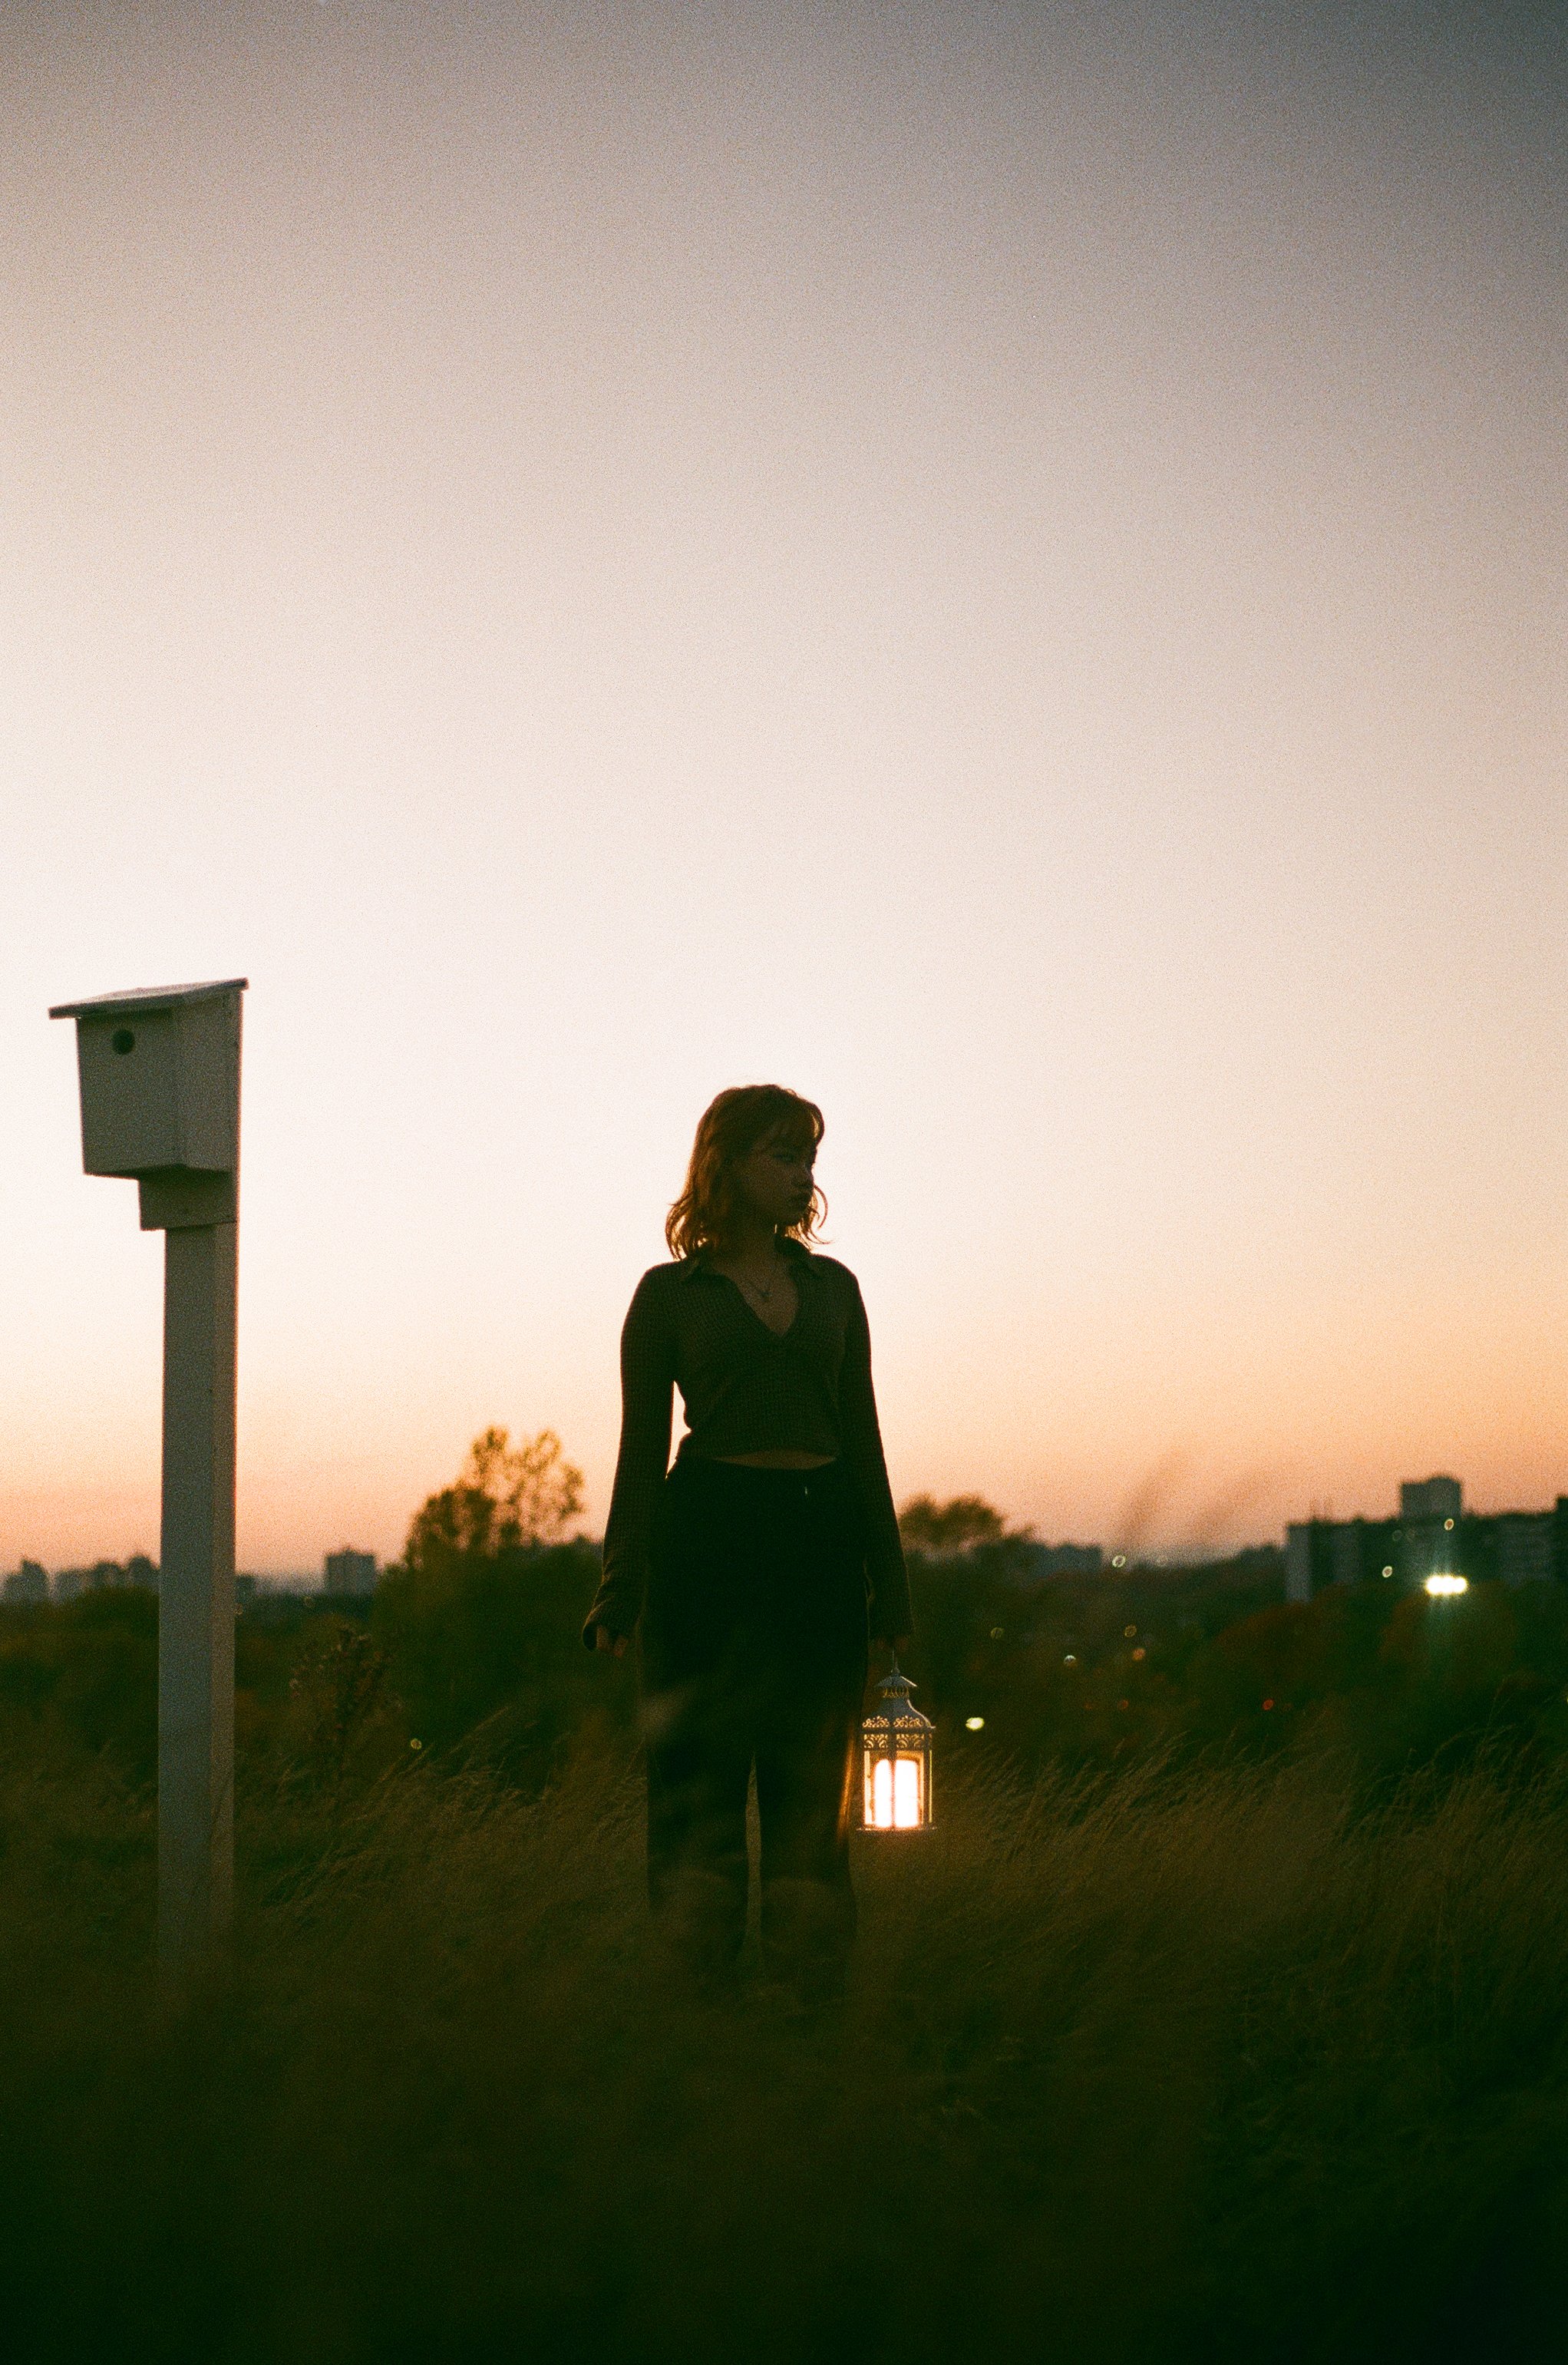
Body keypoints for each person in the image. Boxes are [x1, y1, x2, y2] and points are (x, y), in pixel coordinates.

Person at [585, 1083, 912, 2003]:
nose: (803, 1173)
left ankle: (807, 2019)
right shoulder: (666, 1296)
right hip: (707, 1547)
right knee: (699, 1801)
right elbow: (640, 1454)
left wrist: (891, 1586)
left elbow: (866, 1442)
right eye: (782, 1153)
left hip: (817, 1547)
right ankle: (698, 2017)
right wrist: (621, 1587)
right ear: (725, 1165)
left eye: (808, 1154)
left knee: (813, 1806)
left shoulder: (834, 1289)